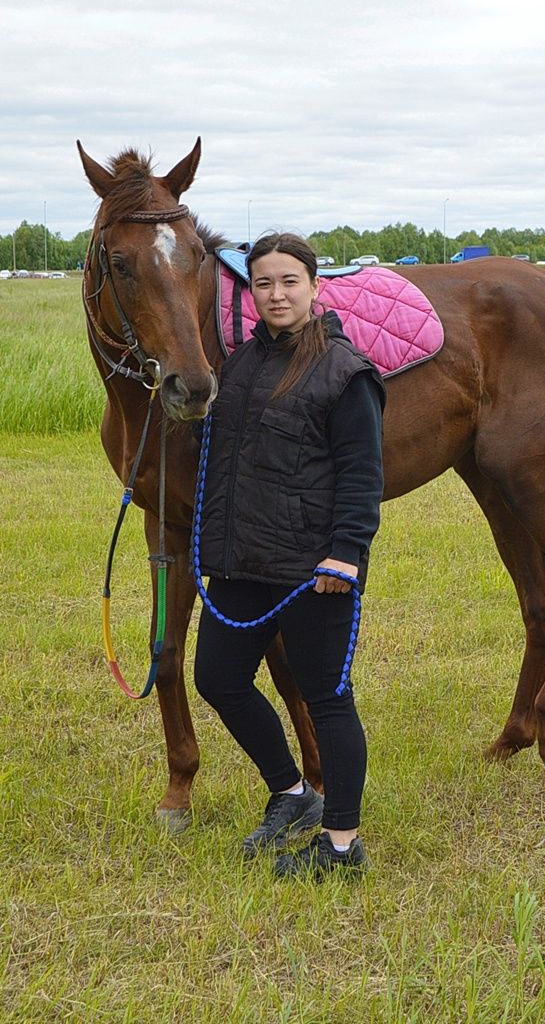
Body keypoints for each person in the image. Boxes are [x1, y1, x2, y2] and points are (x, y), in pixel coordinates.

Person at [193, 231, 385, 879]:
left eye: (288, 282)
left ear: (314, 287)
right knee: (216, 680)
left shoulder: (344, 371)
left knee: (327, 700)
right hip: (241, 562)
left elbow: (361, 474)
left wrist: (346, 554)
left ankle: (340, 848)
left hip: (314, 571)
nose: (276, 294)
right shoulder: (239, 366)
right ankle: (292, 794)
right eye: (264, 283)